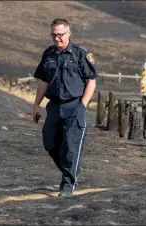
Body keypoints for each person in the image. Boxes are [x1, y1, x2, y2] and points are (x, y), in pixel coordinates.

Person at [32, 18, 97, 197]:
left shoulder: (80, 54)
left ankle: (67, 185)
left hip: (74, 106)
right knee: (49, 143)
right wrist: (36, 106)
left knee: (71, 146)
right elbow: (43, 82)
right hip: (53, 107)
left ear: (68, 34)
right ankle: (72, 169)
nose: (57, 38)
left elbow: (91, 81)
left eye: (60, 35)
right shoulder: (48, 54)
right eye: (54, 35)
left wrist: (82, 106)